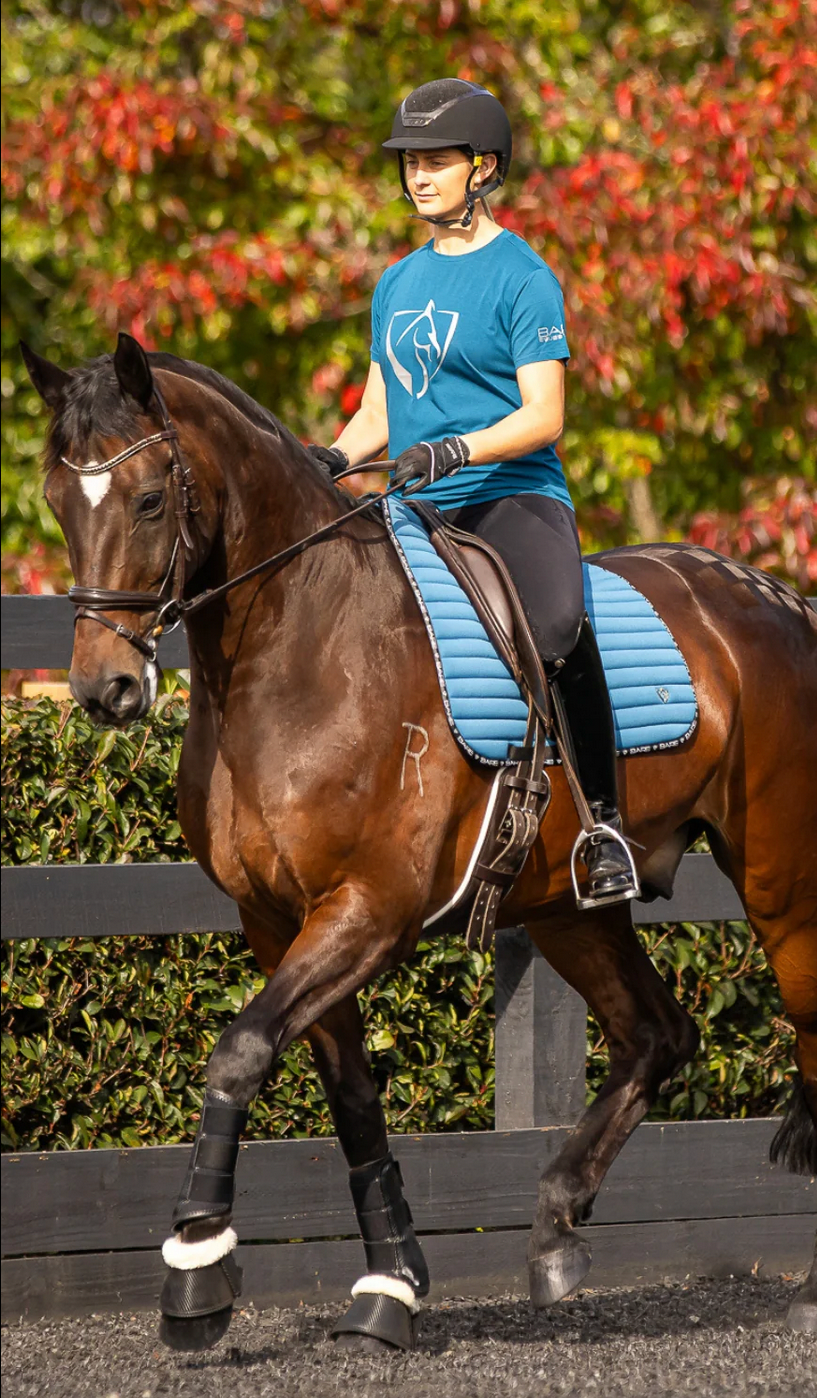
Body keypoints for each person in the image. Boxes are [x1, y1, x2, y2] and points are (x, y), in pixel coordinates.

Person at [309, 78, 636, 904]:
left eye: (436, 162)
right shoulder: (396, 283)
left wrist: (455, 448)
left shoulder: (523, 278)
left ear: (482, 168)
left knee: (558, 624)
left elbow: (545, 415)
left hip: (509, 494)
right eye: (411, 162)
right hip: (414, 502)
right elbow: (381, 406)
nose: (418, 177)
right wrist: (330, 459)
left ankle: (604, 826)